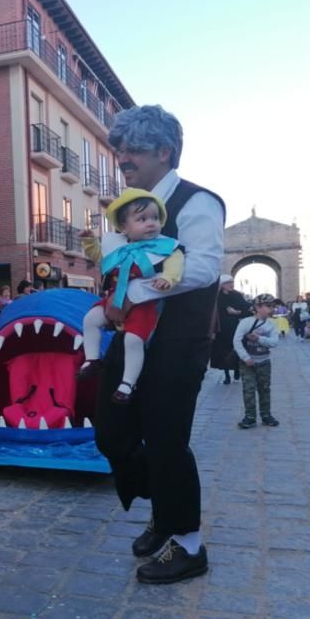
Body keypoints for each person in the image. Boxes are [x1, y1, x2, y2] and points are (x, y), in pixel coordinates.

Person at [94, 105, 225, 585]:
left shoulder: (198, 203)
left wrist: (138, 290)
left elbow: (205, 266)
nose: (123, 157)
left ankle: (188, 543)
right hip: (133, 338)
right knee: (110, 432)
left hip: (178, 343)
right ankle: (167, 510)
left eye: (133, 149)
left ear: (164, 151)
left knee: (168, 441)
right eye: (119, 149)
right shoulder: (131, 210)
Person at [79, 189, 184, 401]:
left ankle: (128, 383)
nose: (151, 223)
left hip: (143, 305)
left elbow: (175, 262)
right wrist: (90, 242)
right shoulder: (115, 244)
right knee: (90, 319)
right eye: (142, 219)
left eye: (155, 218)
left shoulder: (166, 246)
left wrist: (169, 278)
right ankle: (91, 359)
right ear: (124, 227)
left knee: (133, 340)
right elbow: (101, 258)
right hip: (113, 298)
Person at [233, 294, 280, 429]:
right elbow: (236, 340)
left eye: (273, 306)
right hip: (247, 363)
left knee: (264, 389)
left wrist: (259, 339)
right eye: (268, 306)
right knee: (248, 389)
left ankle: (266, 415)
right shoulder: (245, 322)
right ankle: (250, 416)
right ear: (258, 307)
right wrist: (245, 357)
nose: (272, 309)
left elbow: (274, 342)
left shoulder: (271, 325)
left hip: (264, 362)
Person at [210, 275, 251, 383]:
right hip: (221, 330)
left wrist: (237, 312)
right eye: (229, 283)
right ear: (222, 285)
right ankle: (227, 374)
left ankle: (237, 369)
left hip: (235, 328)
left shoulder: (237, 295)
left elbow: (247, 309)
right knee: (223, 352)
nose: (231, 284)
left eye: (232, 282)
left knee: (236, 349)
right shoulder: (216, 297)